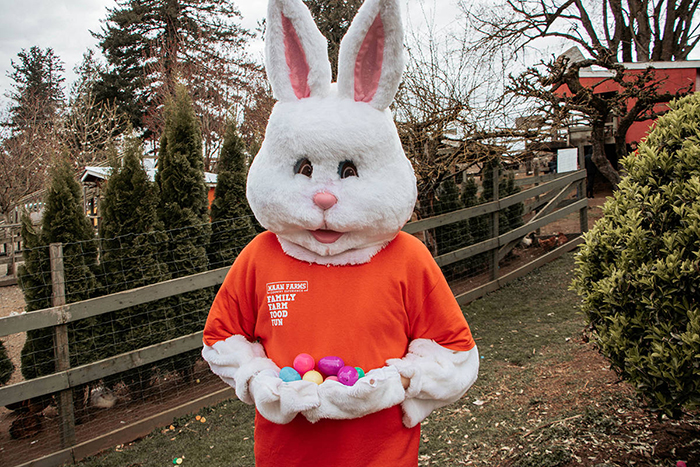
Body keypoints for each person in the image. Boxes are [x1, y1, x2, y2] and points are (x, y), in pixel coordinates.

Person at [201, 0, 479, 465]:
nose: (324, 197)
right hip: (284, 455)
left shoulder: (407, 258)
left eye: (348, 170)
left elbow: (456, 352)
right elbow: (220, 338)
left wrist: (397, 383)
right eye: (306, 168)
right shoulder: (260, 256)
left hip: (383, 456)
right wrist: (263, 381)